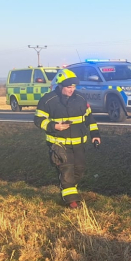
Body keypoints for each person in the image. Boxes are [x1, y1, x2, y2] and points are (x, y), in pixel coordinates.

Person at [33, 69, 101, 208]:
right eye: (69, 87)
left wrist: (95, 135)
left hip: (79, 145)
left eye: (74, 87)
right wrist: (54, 126)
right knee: (66, 171)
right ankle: (72, 202)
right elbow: (38, 120)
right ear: (60, 86)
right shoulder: (48, 100)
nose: (72, 90)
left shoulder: (81, 99)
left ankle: (68, 191)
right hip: (59, 145)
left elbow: (90, 118)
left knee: (79, 170)